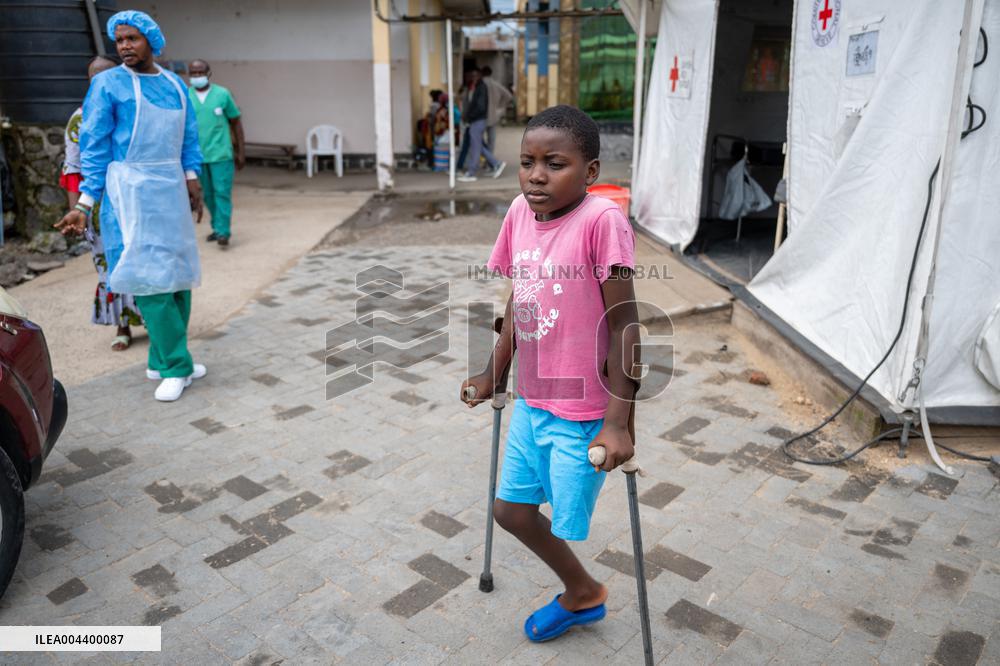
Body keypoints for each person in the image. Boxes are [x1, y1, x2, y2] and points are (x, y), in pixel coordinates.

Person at [460, 105, 639, 642]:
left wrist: (619, 422)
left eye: (554, 163)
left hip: (584, 410)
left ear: (589, 172)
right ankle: (585, 595)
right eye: (527, 162)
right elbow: (522, 294)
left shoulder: (603, 222)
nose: (536, 175)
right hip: (533, 400)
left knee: (565, 520)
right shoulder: (519, 211)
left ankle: (581, 592)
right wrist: (495, 370)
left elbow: (626, 326)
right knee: (511, 511)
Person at [55, 10, 207, 403]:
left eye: (132, 39)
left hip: (170, 188)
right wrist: (86, 203)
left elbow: (189, 139)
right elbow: (94, 146)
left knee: (177, 274)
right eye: (119, 39)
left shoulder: (175, 85)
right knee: (148, 278)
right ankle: (178, 366)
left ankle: (161, 358)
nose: (124, 46)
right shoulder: (108, 84)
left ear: (152, 41)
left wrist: (193, 180)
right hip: (129, 192)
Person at [60, 54, 144, 352]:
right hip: (97, 205)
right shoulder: (79, 119)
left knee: (143, 256)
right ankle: (123, 324)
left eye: (108, 75)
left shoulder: (134, 110)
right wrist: (77, 211)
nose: (102, 82)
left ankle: (153, 319)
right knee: (109, 264)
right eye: (95, 77)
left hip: (134, 199)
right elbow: (72, 169)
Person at [188, 59, 244, 247]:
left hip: (221, 155)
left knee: (222, 193)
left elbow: (236, 122)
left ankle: (223, 232)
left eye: (200, 73)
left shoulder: (222, 94)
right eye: (193, 73)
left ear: (208, 73)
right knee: (209, 195)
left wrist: (241, 151)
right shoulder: (187, 97)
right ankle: (216, 227)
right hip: (198, 156)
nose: (197, 77)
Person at [457, 68, 505, 182]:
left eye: (474, 75)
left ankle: (472, 172)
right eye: (470, 75)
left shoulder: (481, 87)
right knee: (478, 145)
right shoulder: (475, 87)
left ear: (479, 76)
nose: (472, 78)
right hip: (475, 120)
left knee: (476, 146)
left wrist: (470, 116)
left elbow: (480, 107)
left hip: (477, 120)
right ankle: (496, 163)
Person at [481, 66, 513, 155]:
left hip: (481, 116)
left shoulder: (480, 84)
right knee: (491, 139)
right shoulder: (496, 84)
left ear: (481, 73)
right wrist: (500, 106)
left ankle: (485, 155)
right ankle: (490, 159)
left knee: (477, 139)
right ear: (491, 73)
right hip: (493, 115)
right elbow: (509, 96)